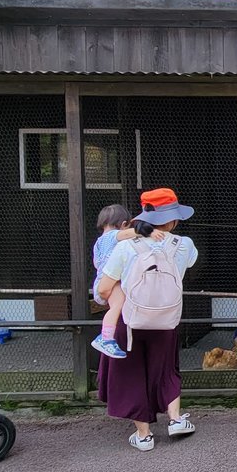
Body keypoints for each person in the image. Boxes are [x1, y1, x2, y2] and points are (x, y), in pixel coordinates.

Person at [95, 187, 199, 451]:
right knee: (166, 368)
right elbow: (186, 266)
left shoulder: (125, 247)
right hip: (165, 320)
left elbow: (104, 289)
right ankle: (175, 420)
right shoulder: (183, 244)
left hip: (130, 320)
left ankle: (143, 436)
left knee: (131, 373)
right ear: (174, 219)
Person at [89, 204, 162, 359]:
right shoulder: (113, 235)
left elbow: (97, 264)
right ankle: (105, 338)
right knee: (117, 306)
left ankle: (107, 337)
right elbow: (130, 233)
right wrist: (150, 232)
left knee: (117, 305)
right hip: (111, 282)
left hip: (103, 281)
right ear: (123, 225)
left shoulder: (99, 242)